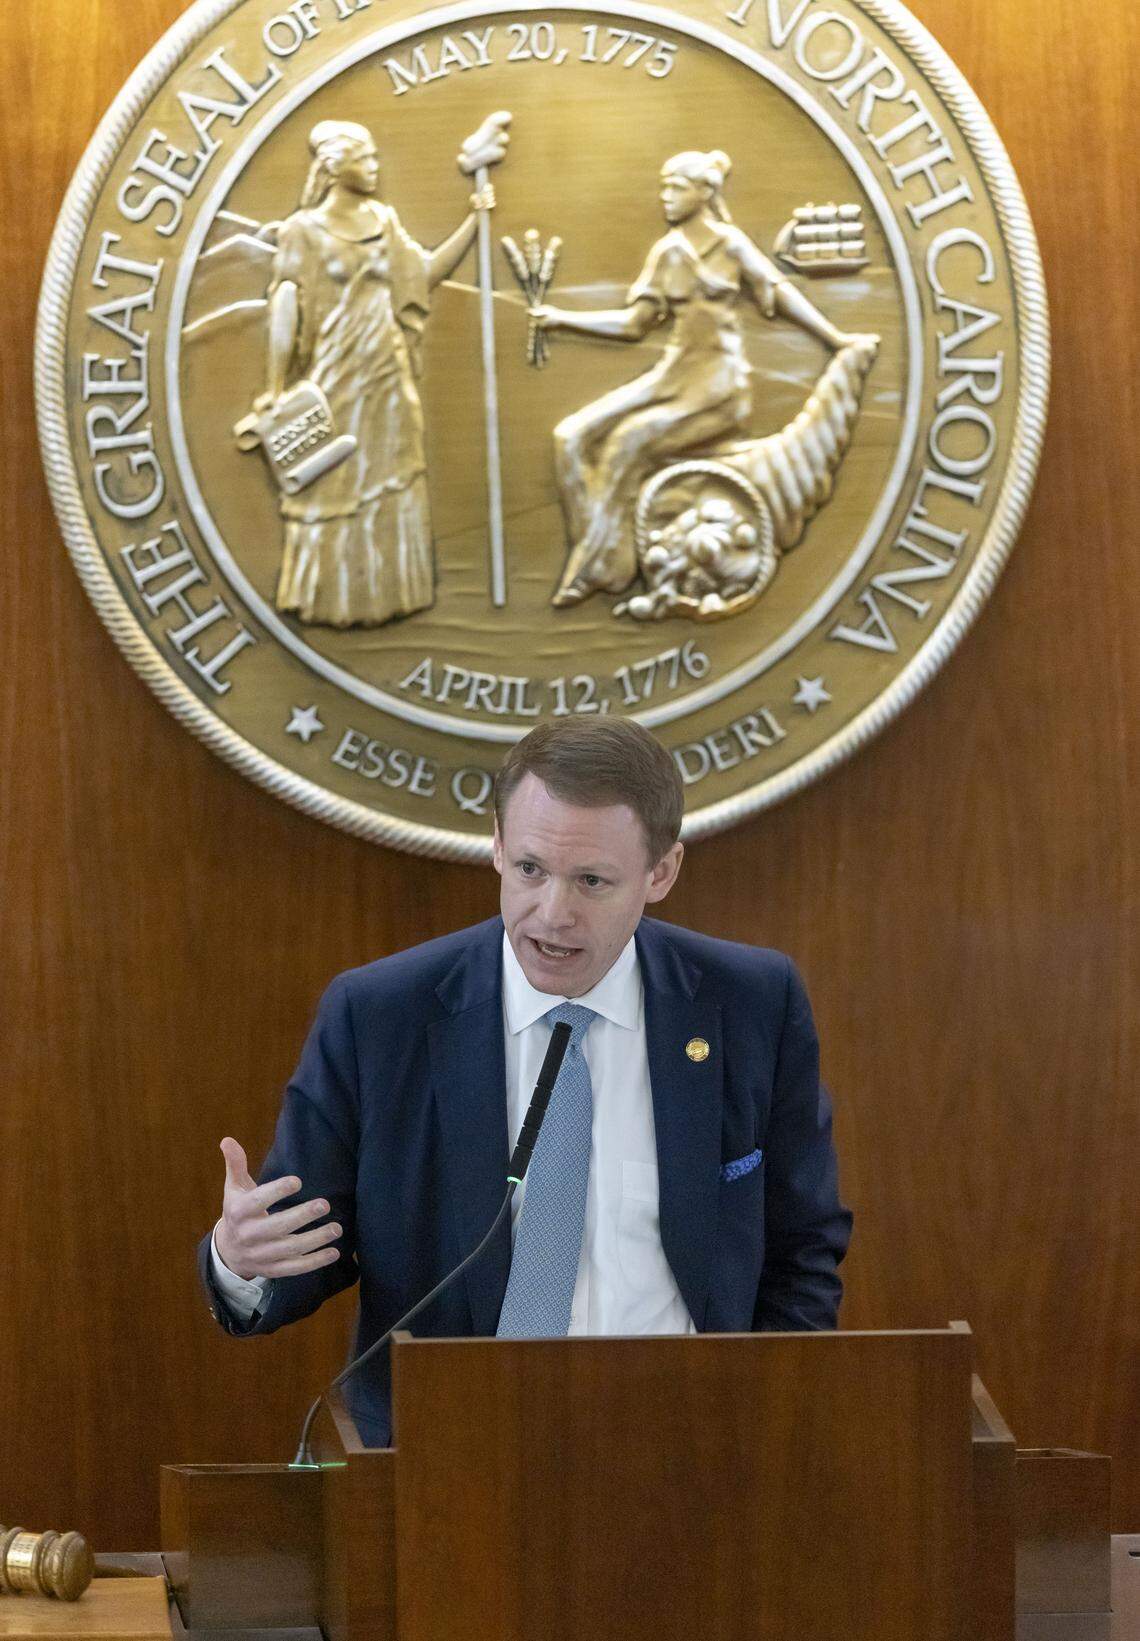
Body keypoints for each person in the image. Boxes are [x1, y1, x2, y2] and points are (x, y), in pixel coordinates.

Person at [200, 718, 851, 1445]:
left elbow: (804, 1243)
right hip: (452, 1460)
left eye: (592, 881)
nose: (552, 914)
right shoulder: (381, 1015)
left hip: (690, 1450)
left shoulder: (751, 1003)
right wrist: (240, 1260)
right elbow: (304, 1244)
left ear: (660, 873)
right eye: (531, 870)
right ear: (499, 850)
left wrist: (768, 1413)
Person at [531, 149, 865, 607]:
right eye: (664, 186)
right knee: (569, 437)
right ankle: (605, 549)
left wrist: (834, 338)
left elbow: (780, 293)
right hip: (671, 378)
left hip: (716, 390)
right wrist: (561, 319)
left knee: (626, 443)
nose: (664, 196)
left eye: (676, 187)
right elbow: (634, 325)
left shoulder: (730, 245)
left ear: (704, 192)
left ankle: (601, 572)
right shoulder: (667, 251)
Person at [254, 119, 501, 628]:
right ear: (334, 166)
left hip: (387, 371)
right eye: (364, 158)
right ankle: (331, 601)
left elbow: (425, 274)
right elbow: (285, 310)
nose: (374, 166)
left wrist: (474, 223)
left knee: (391, 474)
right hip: (336, 375)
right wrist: (275, 389)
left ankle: (388, 597)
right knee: (334, 479)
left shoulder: (383, 220)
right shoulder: (302, 230)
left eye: (374, 156)